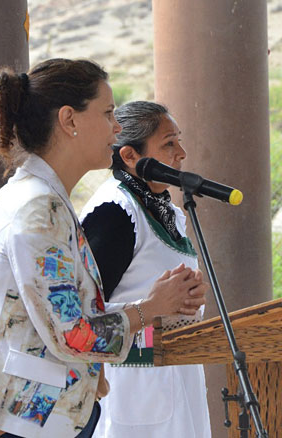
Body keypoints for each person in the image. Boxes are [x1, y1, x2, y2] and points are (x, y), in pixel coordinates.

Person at [0, 59, 206, 438]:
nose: (117, 128)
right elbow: (74, 335)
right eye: (107, 113)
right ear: (70, 120)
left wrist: (149, 304)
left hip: (35, 415)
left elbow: (63, 315)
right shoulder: (39, 209)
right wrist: (149, 309)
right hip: (25, 420)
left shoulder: (43, 199)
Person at [79, 101, 211, 437]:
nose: (181, 153)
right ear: (129, 156)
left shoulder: (161, 207)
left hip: (175, 378)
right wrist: (152, 308)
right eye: (168, 143)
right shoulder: (114, 213)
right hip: (133, 385)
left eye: (178, 140)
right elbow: (82, 314)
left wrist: (189, 296)